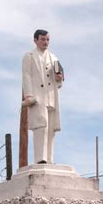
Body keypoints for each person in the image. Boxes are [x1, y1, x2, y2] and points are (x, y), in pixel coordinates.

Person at [22, 29, 64, 164]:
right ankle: (40, 158)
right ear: (35, 40)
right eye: (42, 39)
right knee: (41, 126)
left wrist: (59, 78)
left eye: (47, 40)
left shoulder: (54, 58)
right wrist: (28, 95)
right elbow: (26, 76)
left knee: (51, 128)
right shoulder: (29, 56)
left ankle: (50, 159)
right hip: (38, 97)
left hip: (51, 95)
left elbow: (59, 79)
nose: (45, 42)